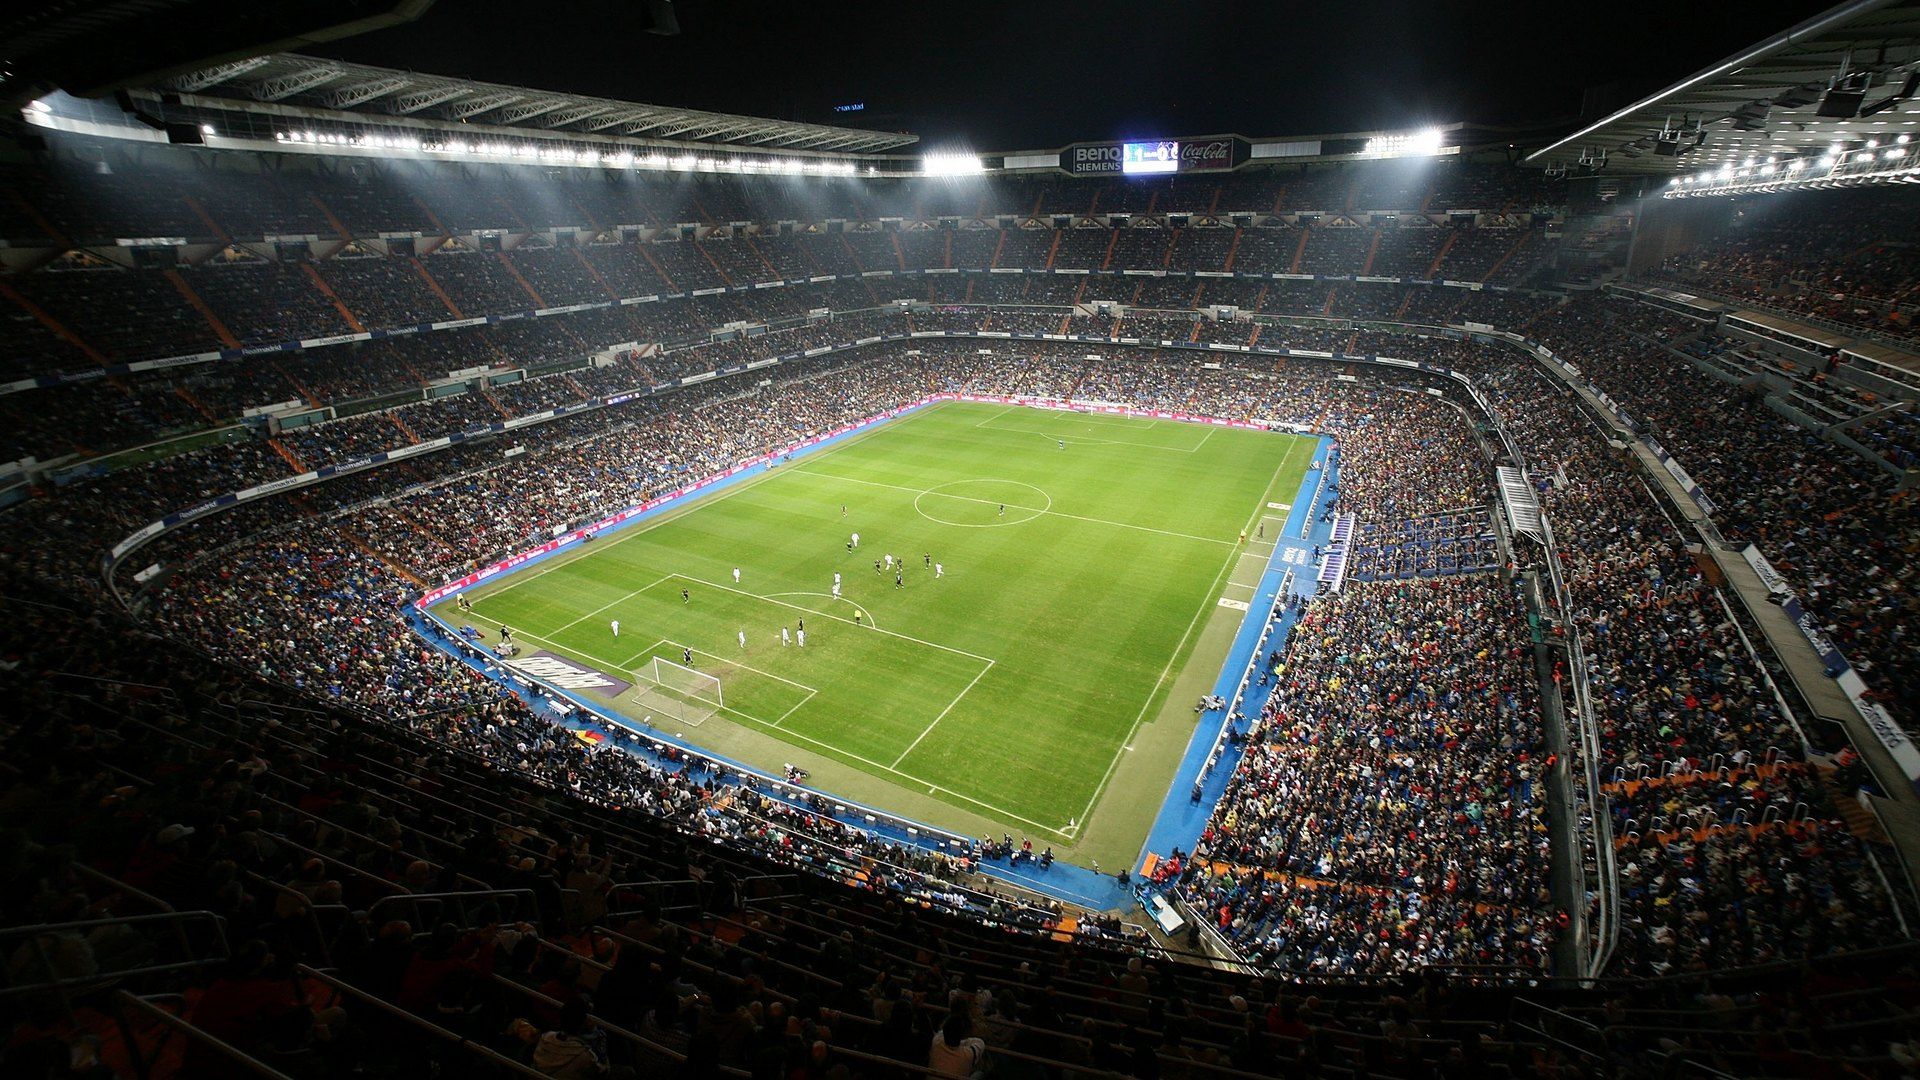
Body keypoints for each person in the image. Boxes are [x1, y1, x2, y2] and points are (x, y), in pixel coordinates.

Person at [927, 1011, 986, 1078]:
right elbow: (980, 1042)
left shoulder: (936, 1041)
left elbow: (942, 1032)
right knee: (979, 1074)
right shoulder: (968, 1054)